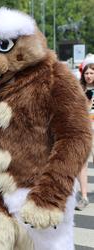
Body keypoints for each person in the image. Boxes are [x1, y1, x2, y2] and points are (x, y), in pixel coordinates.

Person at [76, 62, 94, 210]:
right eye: (86, 73)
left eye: (91, 73)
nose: (89, 76)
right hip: (85, 131)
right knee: (82, 165)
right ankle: (84, 197)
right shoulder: (79, 89)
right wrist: (87, 105)